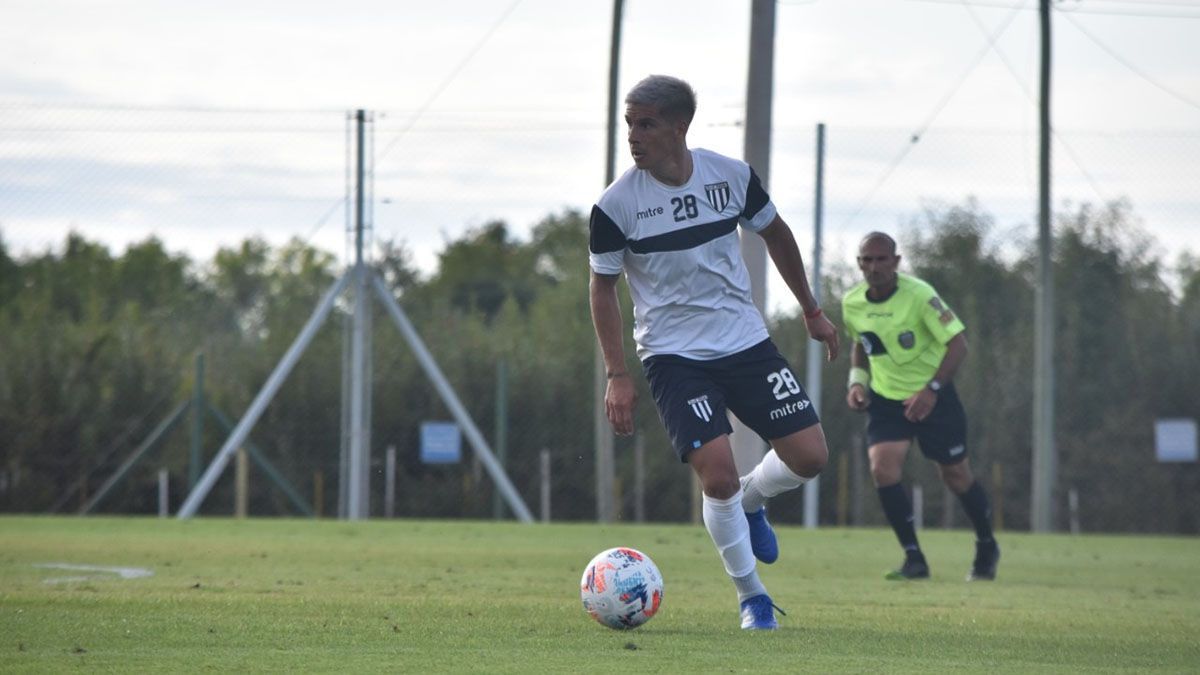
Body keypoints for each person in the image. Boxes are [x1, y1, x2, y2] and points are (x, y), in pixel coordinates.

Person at [588, 74, 839, 630]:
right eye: (629, 123)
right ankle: (751, 597)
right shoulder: (615, 206)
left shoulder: (731, 176)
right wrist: (616, 374)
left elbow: (776, 233)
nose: (633, 135)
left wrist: (812, 310)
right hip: (674, 358)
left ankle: (754, 501)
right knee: (717, 476)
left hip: (746, 343)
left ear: (680, 126)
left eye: (646, 123)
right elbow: (602, 288)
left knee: (811, 457)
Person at [842, 231, 1000, 581]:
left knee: (956, 476)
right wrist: (857, 381)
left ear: (896, 262)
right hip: (886, 400)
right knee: (882, 469)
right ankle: (914, 558)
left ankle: (987, 544)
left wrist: (931, 390)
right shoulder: (852, 302)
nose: (874, 266)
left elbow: (959, 344)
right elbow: (860, 344)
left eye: (882, 259)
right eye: (867, 260)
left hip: (935, 399)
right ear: (859, 264)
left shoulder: (921, 296)